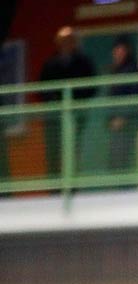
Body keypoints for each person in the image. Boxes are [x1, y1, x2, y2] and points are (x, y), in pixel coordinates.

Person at [38, 27, 98, 180]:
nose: (66, 44)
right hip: (55, 116)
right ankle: (56, 188)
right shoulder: (50, 64)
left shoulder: (84, 63)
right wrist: (53, 102)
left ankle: (71, 186)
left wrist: (78, 101)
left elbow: (92, 86)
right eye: (63, 41)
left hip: (77, 114)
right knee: (54, 151)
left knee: (73, 150)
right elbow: (41, 89)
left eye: (69, 41)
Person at [101, 39, 138, 178]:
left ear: (127, 51)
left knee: (123, 156)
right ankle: (115, 186)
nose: (117, 53)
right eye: (116, 50)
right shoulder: (113, 70)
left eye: (121, 50)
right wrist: (110, 119)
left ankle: (122, 187)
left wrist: (123, 117)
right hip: (114, 120)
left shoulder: (132, 69)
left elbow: (135, 94)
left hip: (127, 121)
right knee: (114, 156)